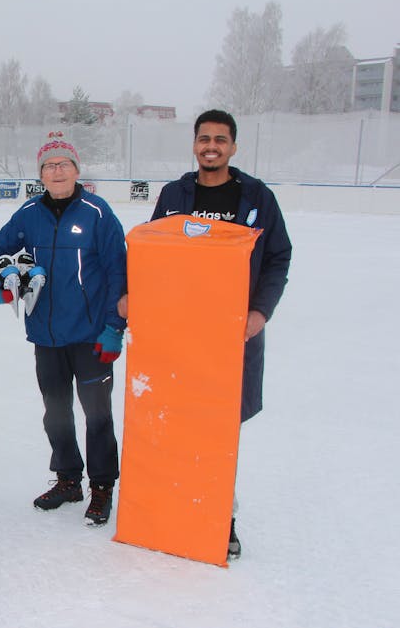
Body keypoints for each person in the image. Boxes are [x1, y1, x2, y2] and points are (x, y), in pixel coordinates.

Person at [125, 109, 292, 557]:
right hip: (177, 339)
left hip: (230, 340)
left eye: (220, 139)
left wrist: (260, 312)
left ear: (233, 147)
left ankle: (221, 518)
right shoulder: (174, 194)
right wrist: (133, 298)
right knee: (176, 425)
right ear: (195, 144)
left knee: (219, 431)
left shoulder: (257, 197)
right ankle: (170, 511)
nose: (211, 146)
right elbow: (151, 251)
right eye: (204, 138)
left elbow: (278, 257)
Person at [0, 132, 127, 525]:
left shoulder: (97, 213)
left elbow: (118, 272)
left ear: (77, 170)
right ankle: (67, 479)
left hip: (92, 335)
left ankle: (101, 487)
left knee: (97, 416)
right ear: (40, 174)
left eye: (64, 164)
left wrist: (115, 326)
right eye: (49, 166)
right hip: (46, 336)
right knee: (56, 413)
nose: (57, 171)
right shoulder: (28, 214)